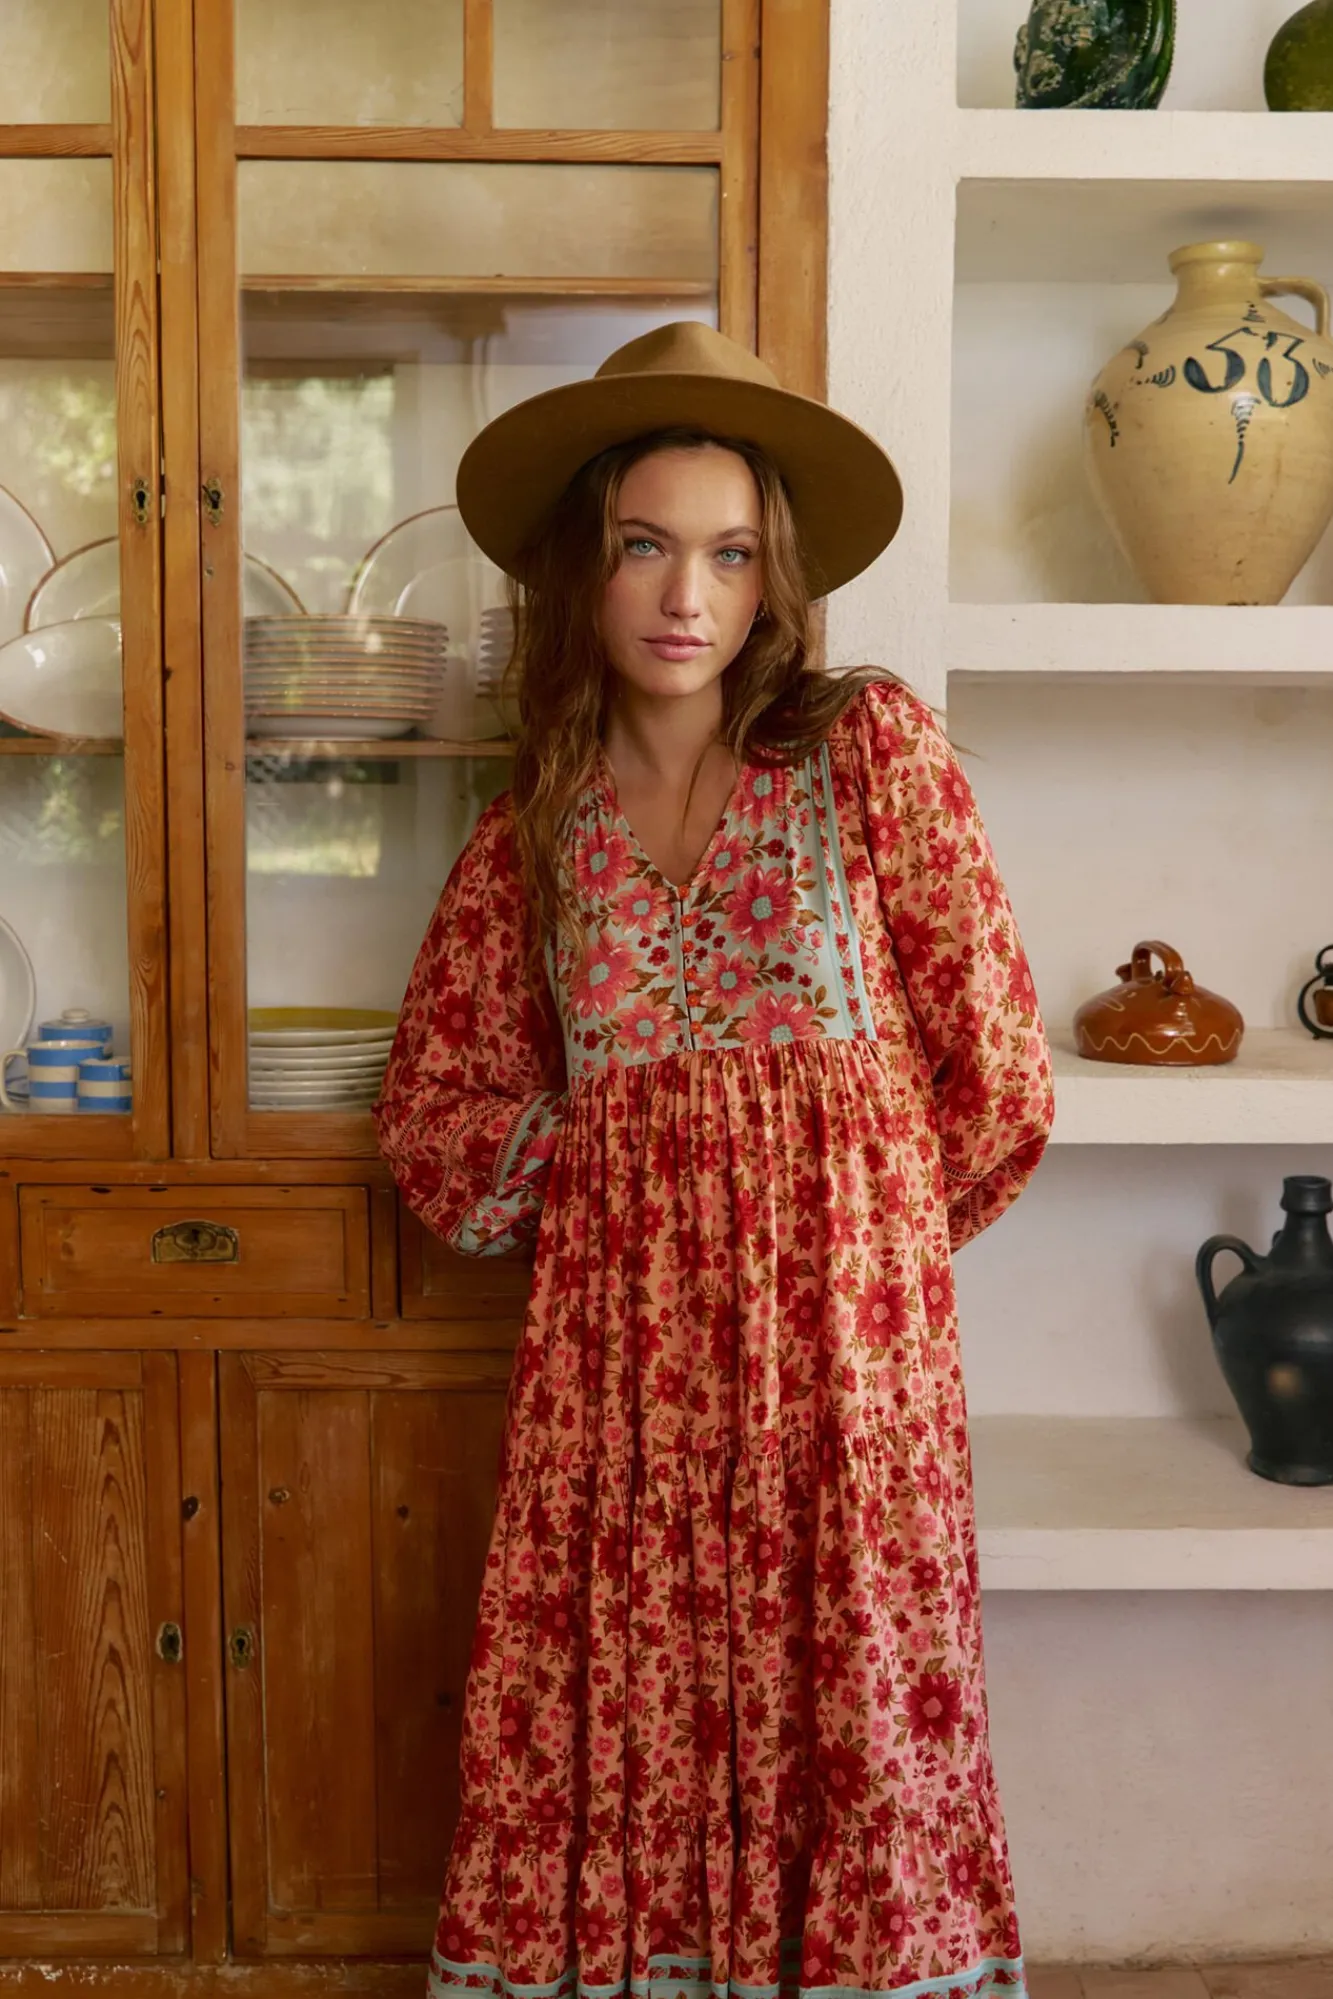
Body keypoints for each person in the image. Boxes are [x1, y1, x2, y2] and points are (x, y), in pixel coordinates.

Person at [373, 320, 1054, 1999]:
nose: (689, 595)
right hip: (625, 1388)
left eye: (732, 553)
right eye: (646, 547)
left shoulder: (865, 754)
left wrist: (853, 1251)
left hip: (846, 1374)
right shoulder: (537, 823)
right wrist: (619, 1174)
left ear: (773, 578)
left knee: (857, 1708)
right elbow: (438, 1110)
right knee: (632, 1707)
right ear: (582, 565)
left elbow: (997, 1072)